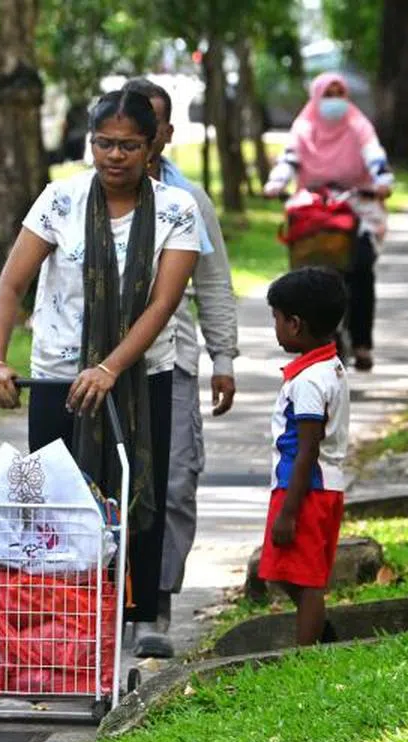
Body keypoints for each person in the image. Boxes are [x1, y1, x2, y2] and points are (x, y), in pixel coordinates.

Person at [0, 88, 200, 626]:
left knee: (135, 497)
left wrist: (110, 368)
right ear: (90, 143)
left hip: (141, 377)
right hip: (59, 376)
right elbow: (11, 287)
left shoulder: (177, 209)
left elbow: (163, 303)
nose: (114, 156)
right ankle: (65, 629)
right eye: (104, 143)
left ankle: (137, 622)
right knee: (57, 507)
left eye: (128, 145)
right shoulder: (61, 199)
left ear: (151, 147)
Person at [125, 78, 239, 658]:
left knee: (172, 483)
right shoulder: (80, 196)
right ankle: (99, 603)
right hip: (93, 367)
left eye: (148, 127)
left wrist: (224, 357)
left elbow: (214, 286)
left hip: (172, 363)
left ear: (163, 135)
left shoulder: (189, 201)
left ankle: (155, 604)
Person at [264, 72, 393, 373]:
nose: (334, 101)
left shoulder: (358, 125)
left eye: (339, 94)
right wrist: (276, 182)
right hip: (314, 207)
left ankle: (362, 342)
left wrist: (383, 180)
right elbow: (289, 159)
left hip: (354, 205)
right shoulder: (304, 126)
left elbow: (375, 158)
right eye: (328, 94)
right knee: (306, 273)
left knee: (361, 268)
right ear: (316, 96)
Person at [261, 267, 349, 646]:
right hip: (319, 486)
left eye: (277, 319)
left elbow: (308, 448)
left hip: (306, 488)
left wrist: (289, 512)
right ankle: (318, 631)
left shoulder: (310, 381)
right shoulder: (329, 366)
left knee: (303, 577)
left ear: (295, 324)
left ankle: (307, 651)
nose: (276, 327)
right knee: (282, 570)